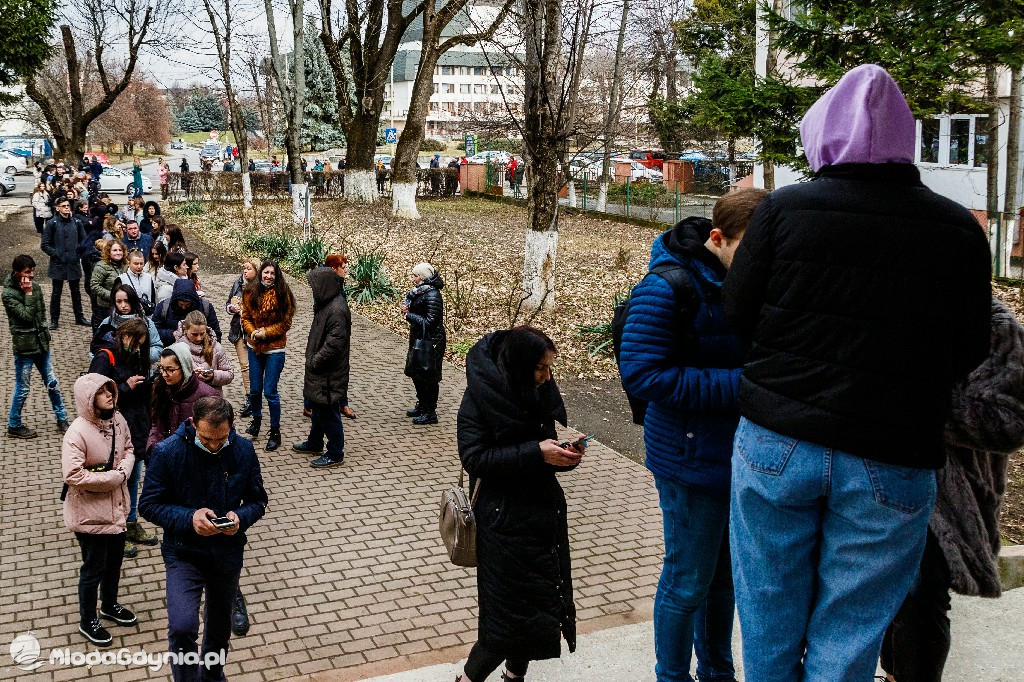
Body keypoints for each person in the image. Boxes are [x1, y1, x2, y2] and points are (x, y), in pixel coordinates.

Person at [721, 64, 992, 682]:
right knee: (852, 635)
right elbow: (971, 345)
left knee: (766, 615)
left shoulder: (783, 211)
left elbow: (736, 312)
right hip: (892, 454)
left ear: (822, 132)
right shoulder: (957, 228)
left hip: (777, 443)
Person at [620, 191, 768, 682]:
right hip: (687, 458)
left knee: (723, 583)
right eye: (749, 249)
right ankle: (673, 677)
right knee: (687, 582)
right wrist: (742, 388)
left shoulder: (745, 282)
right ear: (716, 238)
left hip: (737, 457)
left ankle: (718, 672)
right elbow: (643, 374)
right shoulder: (666, 287)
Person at [879, 297, 1024, 682]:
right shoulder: (881, 309)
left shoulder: (993, 326)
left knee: (920, 594)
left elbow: (1006, 423)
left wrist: (913, 403)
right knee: (887, 598)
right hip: (873, 477)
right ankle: (893, 671)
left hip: (950, 491)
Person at [456, 326, 583, 682]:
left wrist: (564, 455)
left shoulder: (536, 390)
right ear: (519, 364)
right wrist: (535, 452)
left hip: (542, 519)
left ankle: (515, 676)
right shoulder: (480, 397)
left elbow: (543, 448)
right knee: (503, 626)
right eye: (541, 368)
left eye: (550, 367)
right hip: (503, 524)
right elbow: (476, 458)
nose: (547, 376)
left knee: (533, 615)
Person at [139, 396, 267, 681]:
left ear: (231, 426)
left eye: (221, 439)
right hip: (184, 552)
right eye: (207, 438)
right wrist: (189, 518)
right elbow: (148, 505)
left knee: (219, 632)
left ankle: (212, 676)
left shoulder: (243, 450)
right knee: (183, 626)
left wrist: (240, 518)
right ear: (192, 423)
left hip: (226, 554)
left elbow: (258, 501)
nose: (213, 445)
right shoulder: (167, 452)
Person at [61, 373, 137, 646]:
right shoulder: (76, 433)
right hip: (89, 514)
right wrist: (114, 479)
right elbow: (73, 475)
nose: (110, 395)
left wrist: (124, 471)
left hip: (116, 509)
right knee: (93, 568)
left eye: (110, 390)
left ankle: (109, 605)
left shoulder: (118, 420)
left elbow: (129, 449)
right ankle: (87, 620)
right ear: (88, 399)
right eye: (103, 392)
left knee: (114, 562)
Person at [89, 318, 159, 558]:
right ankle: (115, 530)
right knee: (116, 481)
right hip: (111, 432)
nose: (138, 348)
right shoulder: (104, 356)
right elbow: (93, 393)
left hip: (134, 428)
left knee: (133, 479)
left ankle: (130, 524)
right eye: (136, 342)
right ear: (125, 336)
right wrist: (126, 386)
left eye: (141, 344)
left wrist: (149, 385)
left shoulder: (135, 355)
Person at [3, 254, 70, 438]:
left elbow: (40, 316)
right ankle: (14, 424)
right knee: (23, 388)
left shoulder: (37, 288)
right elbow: (25, 316)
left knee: (52, 383)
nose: (31, 275)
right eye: (27, 272)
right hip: (24, 348)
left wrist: (45, 335)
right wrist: (28, 294)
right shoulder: (8, 294)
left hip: (41, 344)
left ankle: (61, 418)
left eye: (32, 271)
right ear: (17, 273)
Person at [292, 264, 351, 469]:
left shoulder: (336, 309)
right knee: (318, 408)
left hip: (328, 373)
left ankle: (335, 453)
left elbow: (335, 344)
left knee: (328, 412)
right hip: (321, 371)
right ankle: (315, 442)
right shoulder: (327, 304)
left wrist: (315, 360)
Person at [241, 260, 296, 451]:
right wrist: (253, 332)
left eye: (272, 273)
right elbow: (245, 316)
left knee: (270, 391)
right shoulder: (250, 291)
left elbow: (286, 322)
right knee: (255, 390)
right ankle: (256, 420)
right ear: (260, 273)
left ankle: (275, 431)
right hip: (255, 346)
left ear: (277, 275)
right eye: (266, 272)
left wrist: (266, 332)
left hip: (275, 349)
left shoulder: (283, 293)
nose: (269, 276)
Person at [146, 343, 219, 453]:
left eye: (170, 369)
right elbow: (155, 423)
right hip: (164, 455)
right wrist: (153, 446)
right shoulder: (160, 388)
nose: (164, 374)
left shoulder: (208, 395)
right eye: (162, 368)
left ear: (184, 367)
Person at [402, 262, 446, 425]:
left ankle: (430, 412)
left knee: (429, 377)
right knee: (417, 373)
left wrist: (409, 315)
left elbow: (430, 321)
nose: (413, 278)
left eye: (415, 276)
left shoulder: (433, 294)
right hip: (420, 338)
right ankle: (422, 405)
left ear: (422, 278)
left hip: (432, 341)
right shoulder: (420, 292)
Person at [41, 195, 89, 328]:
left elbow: (84, 241)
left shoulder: (76, 222)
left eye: (68, 206)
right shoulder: (52, 223)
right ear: (57, 208)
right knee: (56, 292)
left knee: (76, 292)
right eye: (63, 206)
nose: (67, 208)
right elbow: (45, 244)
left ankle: (79, 317)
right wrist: (56, 254)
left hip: (73, 262)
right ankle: (54, 320)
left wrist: (77, 253)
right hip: (58, 263)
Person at [93, 283, 163, 365]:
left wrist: (140, 353)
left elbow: (157, 348)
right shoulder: (107, 322)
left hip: (139, 370)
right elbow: (95, 347)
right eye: (119, 302)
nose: (123, 305)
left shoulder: (147, 322)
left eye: (127, 301)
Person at [226, 260, 258, 417]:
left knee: (255, 367)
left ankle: (256, 395)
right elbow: (228, 304)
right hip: (238, 332)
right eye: (244, 268)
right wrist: (232, 308)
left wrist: (245, 311)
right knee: (244, 366)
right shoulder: (238, 283)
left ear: (256, 270)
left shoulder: (260, 288)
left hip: (253, 333)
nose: (245, 271)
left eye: (249, 269)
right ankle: (250, 398)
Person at [174, 310, 234, 394]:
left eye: (202, 334)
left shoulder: (216, 347)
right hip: (187, 398)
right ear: (185, 330)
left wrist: (213, 376)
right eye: (194, 334)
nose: (199, 338)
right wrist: (190, 376)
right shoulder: (176, 349)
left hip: (212, 399)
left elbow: (229, 374)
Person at [154, 278, 222, 347]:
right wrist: (172, 334)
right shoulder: (164, 307)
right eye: (181, 304)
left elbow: (215, 333)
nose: (184, 307)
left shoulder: (205, 307)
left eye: (187, 305)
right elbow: (154, 332)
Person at [91, 240, 128, 329]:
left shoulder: (126, 265)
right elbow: (95, 285)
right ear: (108, 252)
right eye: (115, 250)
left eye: (120, 250)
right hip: (106, 306)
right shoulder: (101, 266)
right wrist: (111, 296)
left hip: (123, 305)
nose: (118, 253)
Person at [119, 249, 157, 314]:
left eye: (141, 263)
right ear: (128, 263)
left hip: (148, 315)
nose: (139, 266)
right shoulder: (121, 279)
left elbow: (153, 298)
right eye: (136, 264)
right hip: (129, 316)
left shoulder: (148, 277)